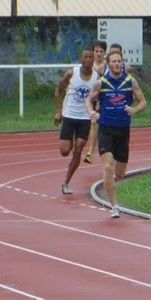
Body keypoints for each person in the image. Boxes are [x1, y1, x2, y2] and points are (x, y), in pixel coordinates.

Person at [86, 51, 147, 218]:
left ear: (122, 63)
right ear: (108, 64)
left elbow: (143, 102)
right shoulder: (101, 83)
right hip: (106, 128)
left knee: (119, 174)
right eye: (113, 61)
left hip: (123, 130)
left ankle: (111, 184)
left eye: (119, 61)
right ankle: (114, 206)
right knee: (107, 166)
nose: (117, 64)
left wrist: (134, 109)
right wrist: (91, 112)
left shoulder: (130, 81)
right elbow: (89, 100)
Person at [53, 48, 97, 195]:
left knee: (78, 150)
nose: (88, 59)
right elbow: (58, 90)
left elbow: (102, 94)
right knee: (65, 151)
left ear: (93, 60)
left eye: (90, 57)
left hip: (85, 118)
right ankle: (69, 142)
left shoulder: (97, 77)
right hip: (70, 116)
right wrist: (58, 112)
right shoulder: (72, 73)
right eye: (85, 57)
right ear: (81, 59)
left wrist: (98, 110)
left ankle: (66, 182)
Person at [83, 40, 108, 165]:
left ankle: (105, 152)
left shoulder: (107, 66)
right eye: (96, 51)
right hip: (90, 98)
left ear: (104, 53)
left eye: (101, 51)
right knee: (93, 123)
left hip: (104, 99)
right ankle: (90, 152)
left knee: (103, 126)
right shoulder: (88, 65)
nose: (98, 54)